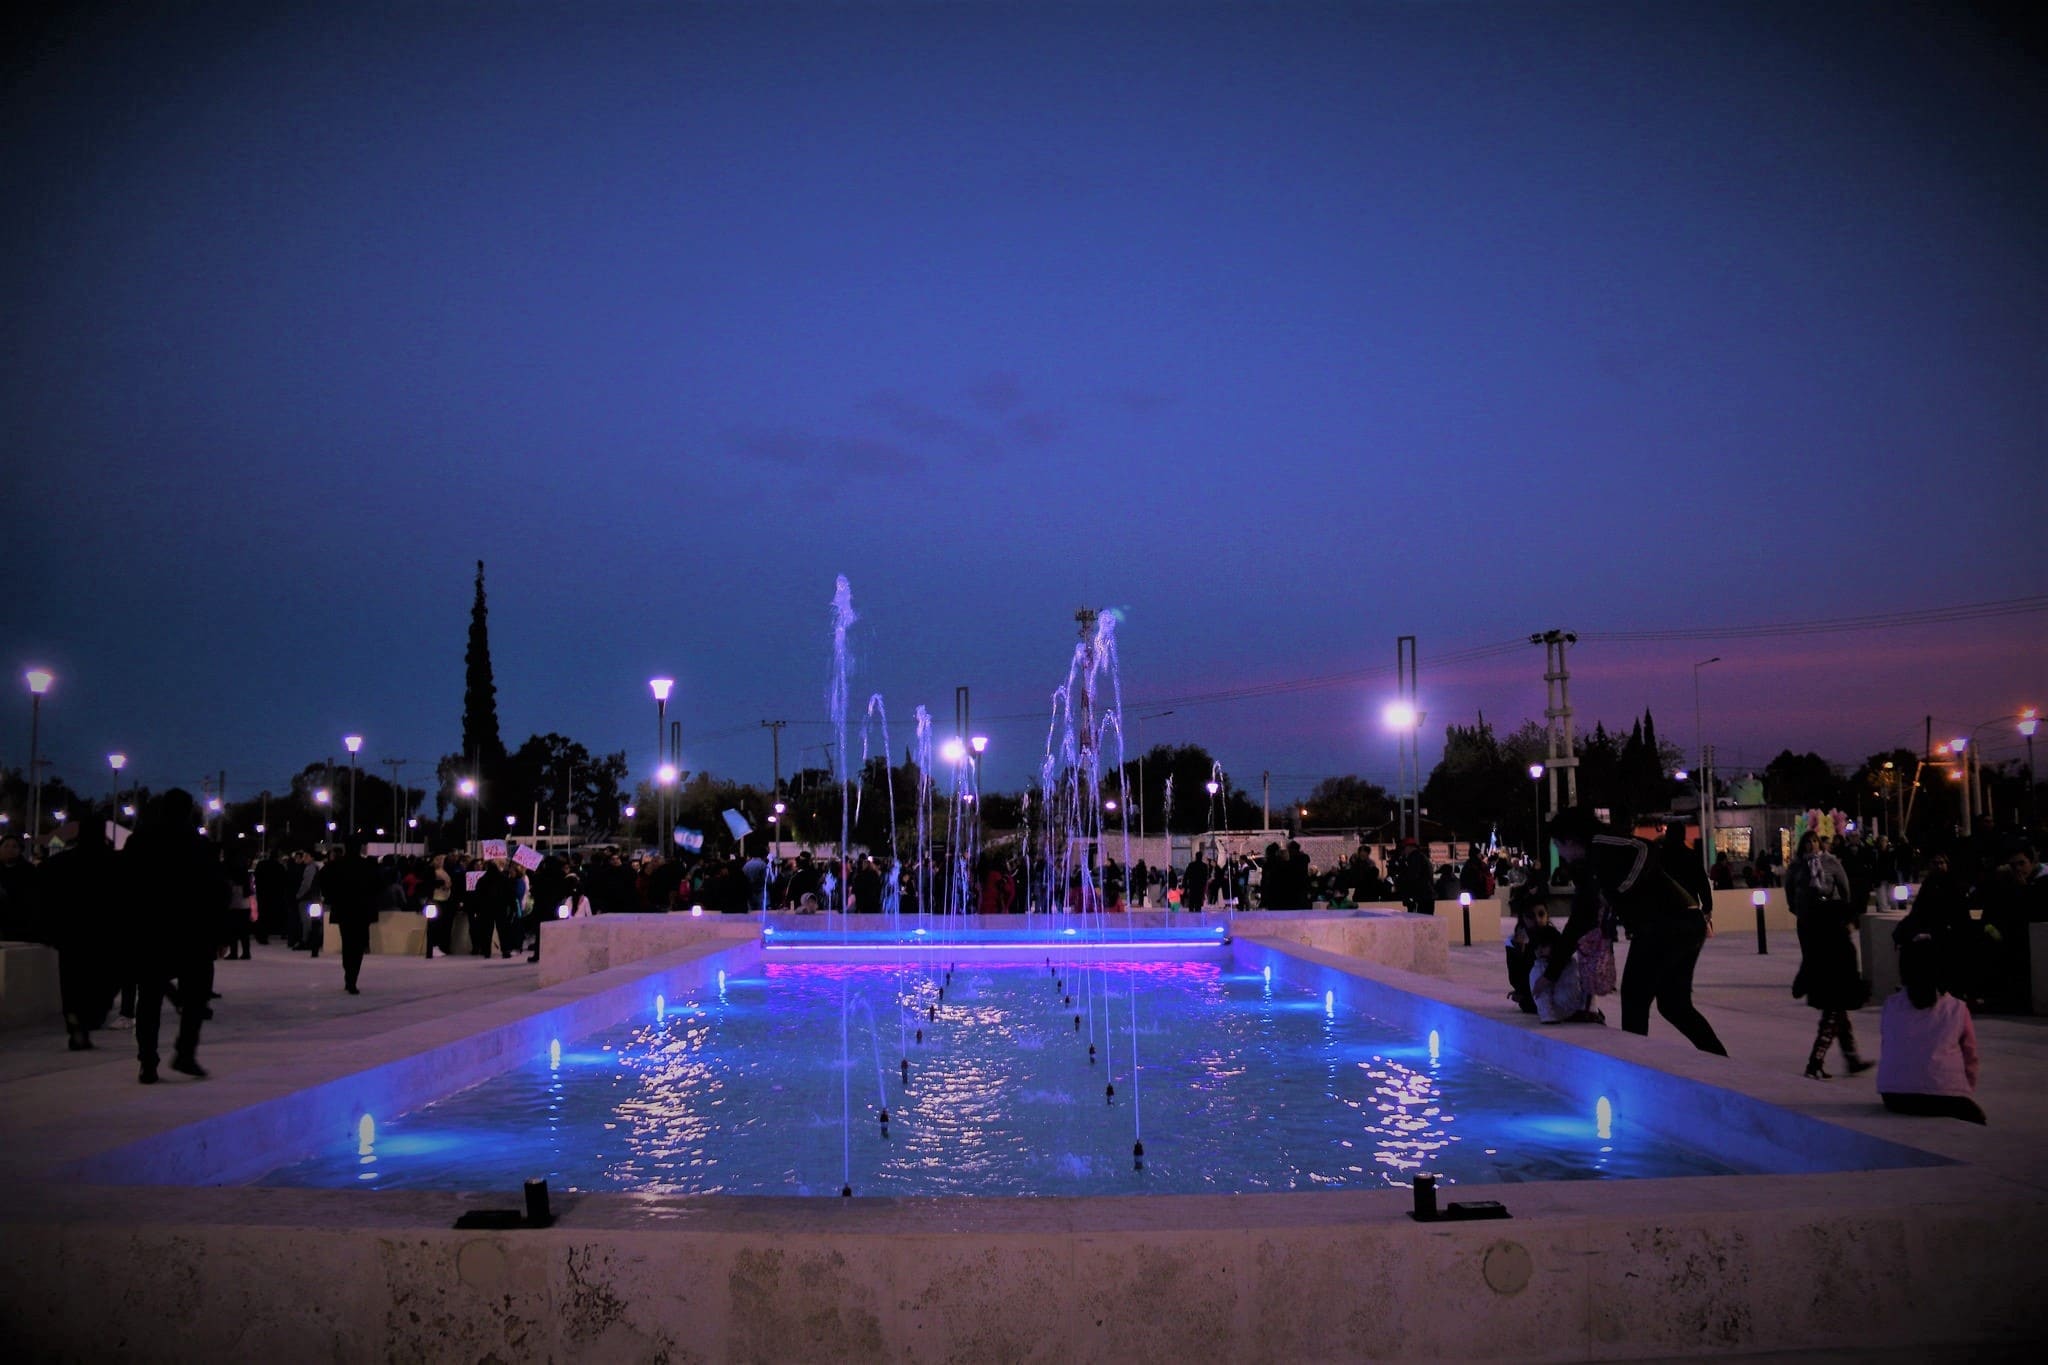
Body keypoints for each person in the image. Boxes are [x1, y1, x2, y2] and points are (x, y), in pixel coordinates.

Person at [1548, 805, 1725, 1055]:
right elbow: (1579, 920)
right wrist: (1551, 972)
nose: (1561, 854)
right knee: (1674, 1004)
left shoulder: (1601, 842)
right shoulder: (1590, 867)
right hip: (1684, 923)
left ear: (1569, 839)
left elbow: (1645, 848)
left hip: (1665, 924)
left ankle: (1635, 1064)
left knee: (1634, 998)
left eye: (1558, 845)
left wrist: (1626, 887)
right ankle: (1718, 1058)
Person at [124, 790, 222, 1084]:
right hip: (192, 931)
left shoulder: (140, 841)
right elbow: (215, 890)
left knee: (149, 999)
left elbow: (125, 886)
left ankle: (148, 1061)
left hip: (152, 929)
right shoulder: (199, 845)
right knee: (196, 997)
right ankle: (185, 1053)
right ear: (189, 810)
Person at [1786, 832, 1869, 1079]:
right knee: (1835, 1009)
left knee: (1836, 1010)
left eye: (1814, 841)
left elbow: (1845, 890)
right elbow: (1790, 891)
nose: (1811, 846)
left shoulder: (1832, 865)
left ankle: (1849, 1057)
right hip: (1814, 926)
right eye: (1807, 842)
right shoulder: (1798, 868)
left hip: (1827, 931)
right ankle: (1819, 1061)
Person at [1877, 934, 1983, 1124]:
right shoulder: (1957, 1008)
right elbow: (1970, 1055)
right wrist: (1963, 1088)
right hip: (1943, 1092)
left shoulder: (1891, 1005)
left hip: (1893, 1094)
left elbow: (1888, 1044)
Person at [320, 838, 381, 994]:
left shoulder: (336, 866)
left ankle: (349, 975)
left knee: (347, 942)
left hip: (343, 910)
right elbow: (377, 886)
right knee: (358, 945)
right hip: (361, 911)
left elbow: (323, 882)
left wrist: (331, 898)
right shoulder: (367, 866)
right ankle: (353, 977)